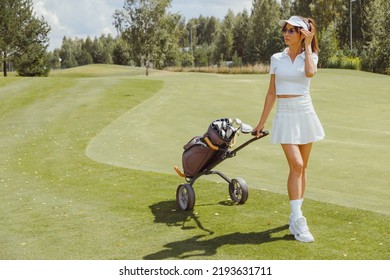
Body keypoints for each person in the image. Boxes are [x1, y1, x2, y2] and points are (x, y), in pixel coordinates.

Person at [253, 16, 325, 243]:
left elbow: (311, 73)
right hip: (284, 113)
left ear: (302, 34)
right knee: (297, 164)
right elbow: (272, 92)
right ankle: (297, 217)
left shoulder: (310, 56)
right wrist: (261, 122)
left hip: (304, 111)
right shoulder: (276, 58)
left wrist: (306, 45)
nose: (286, 34)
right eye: (286, 30)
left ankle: (296, 217)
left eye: (293, 31)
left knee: (303, 169)